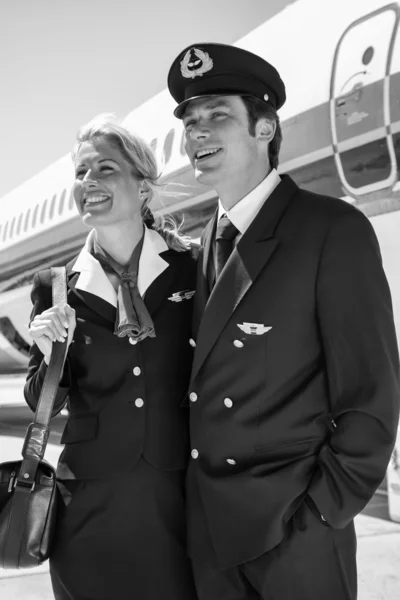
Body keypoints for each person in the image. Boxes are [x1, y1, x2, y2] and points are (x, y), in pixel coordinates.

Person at [167, 42, 400, 600]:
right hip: (212, 538)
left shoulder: (329, 231)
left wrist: (321, 515)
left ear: (266, 128)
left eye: (217, 115)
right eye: (190, 122)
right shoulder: (202, 246)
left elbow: (372, 396)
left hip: (295, 538)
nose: (197, 134)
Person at [24, 115, 198, 600]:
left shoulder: (192, 267)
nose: (89, 183)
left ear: (143, 186)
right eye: (81, 173)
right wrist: (47, 351)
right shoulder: (55, 285)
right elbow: (44, 403)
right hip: (87, 506)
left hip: (178, 497)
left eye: (105, 168)